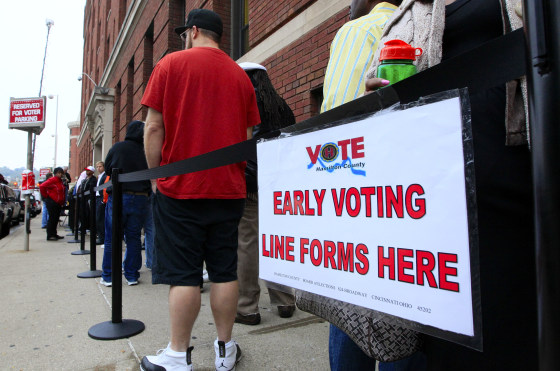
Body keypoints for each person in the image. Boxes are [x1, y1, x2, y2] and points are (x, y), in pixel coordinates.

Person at [364, 0, 535, 369]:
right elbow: (375, 96)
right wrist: (376, 92)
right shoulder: (408, 11)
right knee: (451, 340)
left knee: (518, 325)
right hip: (437, 197)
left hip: (517, 181)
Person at [141, 9, 260, 371]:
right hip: (227, 189)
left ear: (193, 31)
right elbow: (245, 137)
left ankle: (178, 354)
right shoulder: (241, 77)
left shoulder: (170, 65)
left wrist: (154, 177)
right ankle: (225, 350)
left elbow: (153, 128)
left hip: (181, 188)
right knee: (225, 270)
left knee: (185, 274)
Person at [319, 1, 402, 370]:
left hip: (357, 188)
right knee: (409, 301)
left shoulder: (357, 30)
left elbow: (337, 115)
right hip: (410, 190)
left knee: (351, 299)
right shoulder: (428, 22)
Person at [234, 62, 297, 326]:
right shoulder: (281, 106)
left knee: (247, 244)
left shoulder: (241, 104)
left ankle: (247, 307)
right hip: (277, 184)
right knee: (276, 242)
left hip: (248, 183)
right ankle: (285, 300)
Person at [100, 120, 151, 288]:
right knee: (134, 238)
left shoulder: (117, 148)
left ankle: (108, 276)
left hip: (119, 196)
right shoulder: (147, 150)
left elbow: (108, 170)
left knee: (112, 238)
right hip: (141, 197)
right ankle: (131, 275)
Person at [39, 167, 66, 241]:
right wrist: (46, 196)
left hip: (58, 203)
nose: (60, 174)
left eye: (61, 173)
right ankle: (50, 235)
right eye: (59, 173)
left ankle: (54, 233)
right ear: (55, 173)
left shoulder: (60, 181)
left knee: (55, 219)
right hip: (52, 202)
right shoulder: (52, 180)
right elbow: (42, 186)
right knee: (52, 218)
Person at [95, 161, 106, 245]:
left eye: (100, 166)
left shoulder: (105, 175)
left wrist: (103, 200)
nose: (98, 168)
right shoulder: (99, 176)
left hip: (101, 199)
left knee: (100, 218)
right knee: (97, 218)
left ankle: (102, 237)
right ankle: (100, 235)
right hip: (97, 198)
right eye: (97, 167)